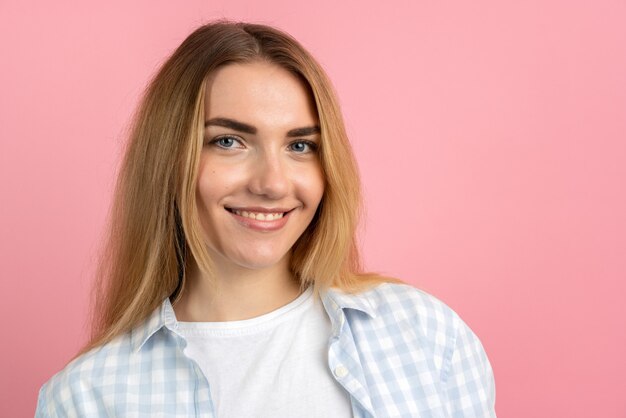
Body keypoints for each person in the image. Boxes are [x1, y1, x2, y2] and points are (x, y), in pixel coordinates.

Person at [35, 21, 496, 417]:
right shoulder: (87, 398)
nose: (273, 183)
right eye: (229, 141)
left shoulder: (425, 334)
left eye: (300, 146)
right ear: (167, 158)